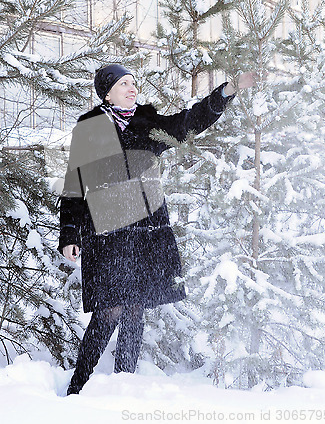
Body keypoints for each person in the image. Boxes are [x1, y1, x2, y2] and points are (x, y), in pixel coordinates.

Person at [59, 64, 255, 395]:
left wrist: (225, 92)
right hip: (107, 233)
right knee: (109, 310)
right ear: (107, 92)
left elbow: (187, 124)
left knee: (135, 308)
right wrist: (69, 235)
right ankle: (77, 388)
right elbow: (74, 185)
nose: (132, 88)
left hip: (144, 232)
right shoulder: (89, 128)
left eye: (134, 83)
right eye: (124, 84)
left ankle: (123, 384)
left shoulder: (147, 124)